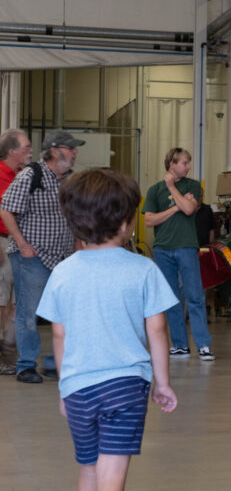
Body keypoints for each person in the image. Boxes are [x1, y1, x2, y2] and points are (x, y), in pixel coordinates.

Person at [36, 167, 178, 491]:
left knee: (88, 467)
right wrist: (163, 384)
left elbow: (59, 336)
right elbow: (157, 331)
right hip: (125, 386)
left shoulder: (62, 272)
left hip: (78, 388)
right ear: (126, 223)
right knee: (112, 468)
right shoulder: (144, 269)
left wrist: (65, 387)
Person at [0, 130, 81, 384]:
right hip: (32, 257)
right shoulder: (30, 176)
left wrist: (79, 246)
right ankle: (26, 366)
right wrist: (22, 244)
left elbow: (74, 217)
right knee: (29, 312)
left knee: (65, 312)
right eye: (71, 148)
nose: (75, 152)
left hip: (63, 258)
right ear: (56, 150)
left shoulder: (69, 180)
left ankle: (59, 361)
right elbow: (6, 211)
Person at [142, 147, 214, 361]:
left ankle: (203, 345)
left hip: (186, 247)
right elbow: (148, 220)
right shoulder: (155, 190)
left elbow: (190, 209)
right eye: (184, 163)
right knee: (171, 299)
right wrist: (175, 208)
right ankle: (180, 345)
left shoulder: (193, 186)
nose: (188, 167)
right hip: (163, 249)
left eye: (188, 163)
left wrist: (172, 187)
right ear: (171, 164)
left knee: (195, 296)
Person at [0, 129, 32, 375]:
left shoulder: (21, 175)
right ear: (12, 151)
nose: (30, 151)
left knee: (12, 303)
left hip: (15, 242)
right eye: (26, 147)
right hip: (2, 241)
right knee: (1, 302)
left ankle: (8, 354)